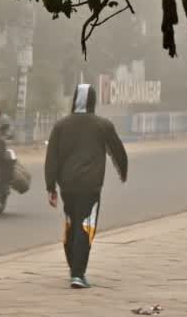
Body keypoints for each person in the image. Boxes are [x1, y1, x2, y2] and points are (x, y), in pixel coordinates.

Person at [44, 84, 129, 289]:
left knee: (71, 225)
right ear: (93, 101)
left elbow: (52, 159)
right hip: (90, 186)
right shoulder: (103, 125)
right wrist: (122, 171)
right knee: (85, 226)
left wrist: (51, 187)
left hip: (68, 186)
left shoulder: (60, 126)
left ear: (73, 100)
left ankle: (73, 267)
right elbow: (118, 151)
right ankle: (78, 273)